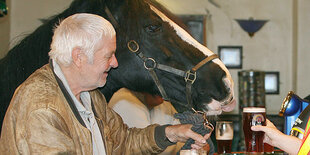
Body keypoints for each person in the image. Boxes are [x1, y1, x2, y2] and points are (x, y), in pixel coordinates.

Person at [0, 13, 211, 154]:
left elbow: (123, 141)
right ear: (79, 57)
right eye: (108, 56)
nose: (115, 63)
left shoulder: (89, 93)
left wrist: (173, 133)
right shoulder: (42, 108)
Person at [109, 88, 213, 155]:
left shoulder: (163, 104)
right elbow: (145, 151)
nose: (161, 91)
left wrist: (199, 147)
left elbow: (186, 141)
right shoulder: (123, 100)